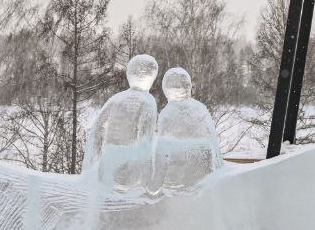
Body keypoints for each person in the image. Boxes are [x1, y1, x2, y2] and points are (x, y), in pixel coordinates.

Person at [84, 53, 158, 191]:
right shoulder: (148, 102)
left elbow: (97, 130)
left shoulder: (116, 99)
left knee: (105, 205)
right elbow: (144, 141)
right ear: (151, 77)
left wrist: (92, 165)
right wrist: (148, 179)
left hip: (108, 163)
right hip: (129, 167)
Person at [152, 67, 221, 191]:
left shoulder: (167, 113)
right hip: (205, 175)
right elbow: (214, 146)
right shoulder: (201, 108)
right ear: (188, 86)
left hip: (180, 179)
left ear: (166, 88)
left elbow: (161, 153)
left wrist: (155, 184)